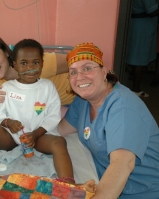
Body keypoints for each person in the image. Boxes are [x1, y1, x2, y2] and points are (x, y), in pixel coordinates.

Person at [0, 39, 92, 188]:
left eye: (35, 63)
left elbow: (53, 117)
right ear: (14, 64)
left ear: (42, 63)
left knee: (59, 142)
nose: (30, 67)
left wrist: (35, 134)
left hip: (39, 137)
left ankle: (68, 185)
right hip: (12, 138)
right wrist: (9, 123)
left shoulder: (48, 87)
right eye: (23, 63)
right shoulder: (5, 88)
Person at [58, 42, 159, 198]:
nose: (79, 77)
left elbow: (122, 164)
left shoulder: (122, 107)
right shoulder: (83, 101)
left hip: (142, 190)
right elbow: (60, 131)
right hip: (104, 182)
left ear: (104, 72)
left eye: (87, 68)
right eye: (73, 72)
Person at [0, 33, 74, 119]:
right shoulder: (0, 85)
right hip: (59, 108)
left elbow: (79, 62)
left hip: (80, 100)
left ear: (6, 52)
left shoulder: (38, 63)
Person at [126, 0, 159, 97]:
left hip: (139, 24)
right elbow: (153, 11)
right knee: (139, 58)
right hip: (142, 26)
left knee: (136, 54)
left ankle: (133, 79)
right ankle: (136, 89)